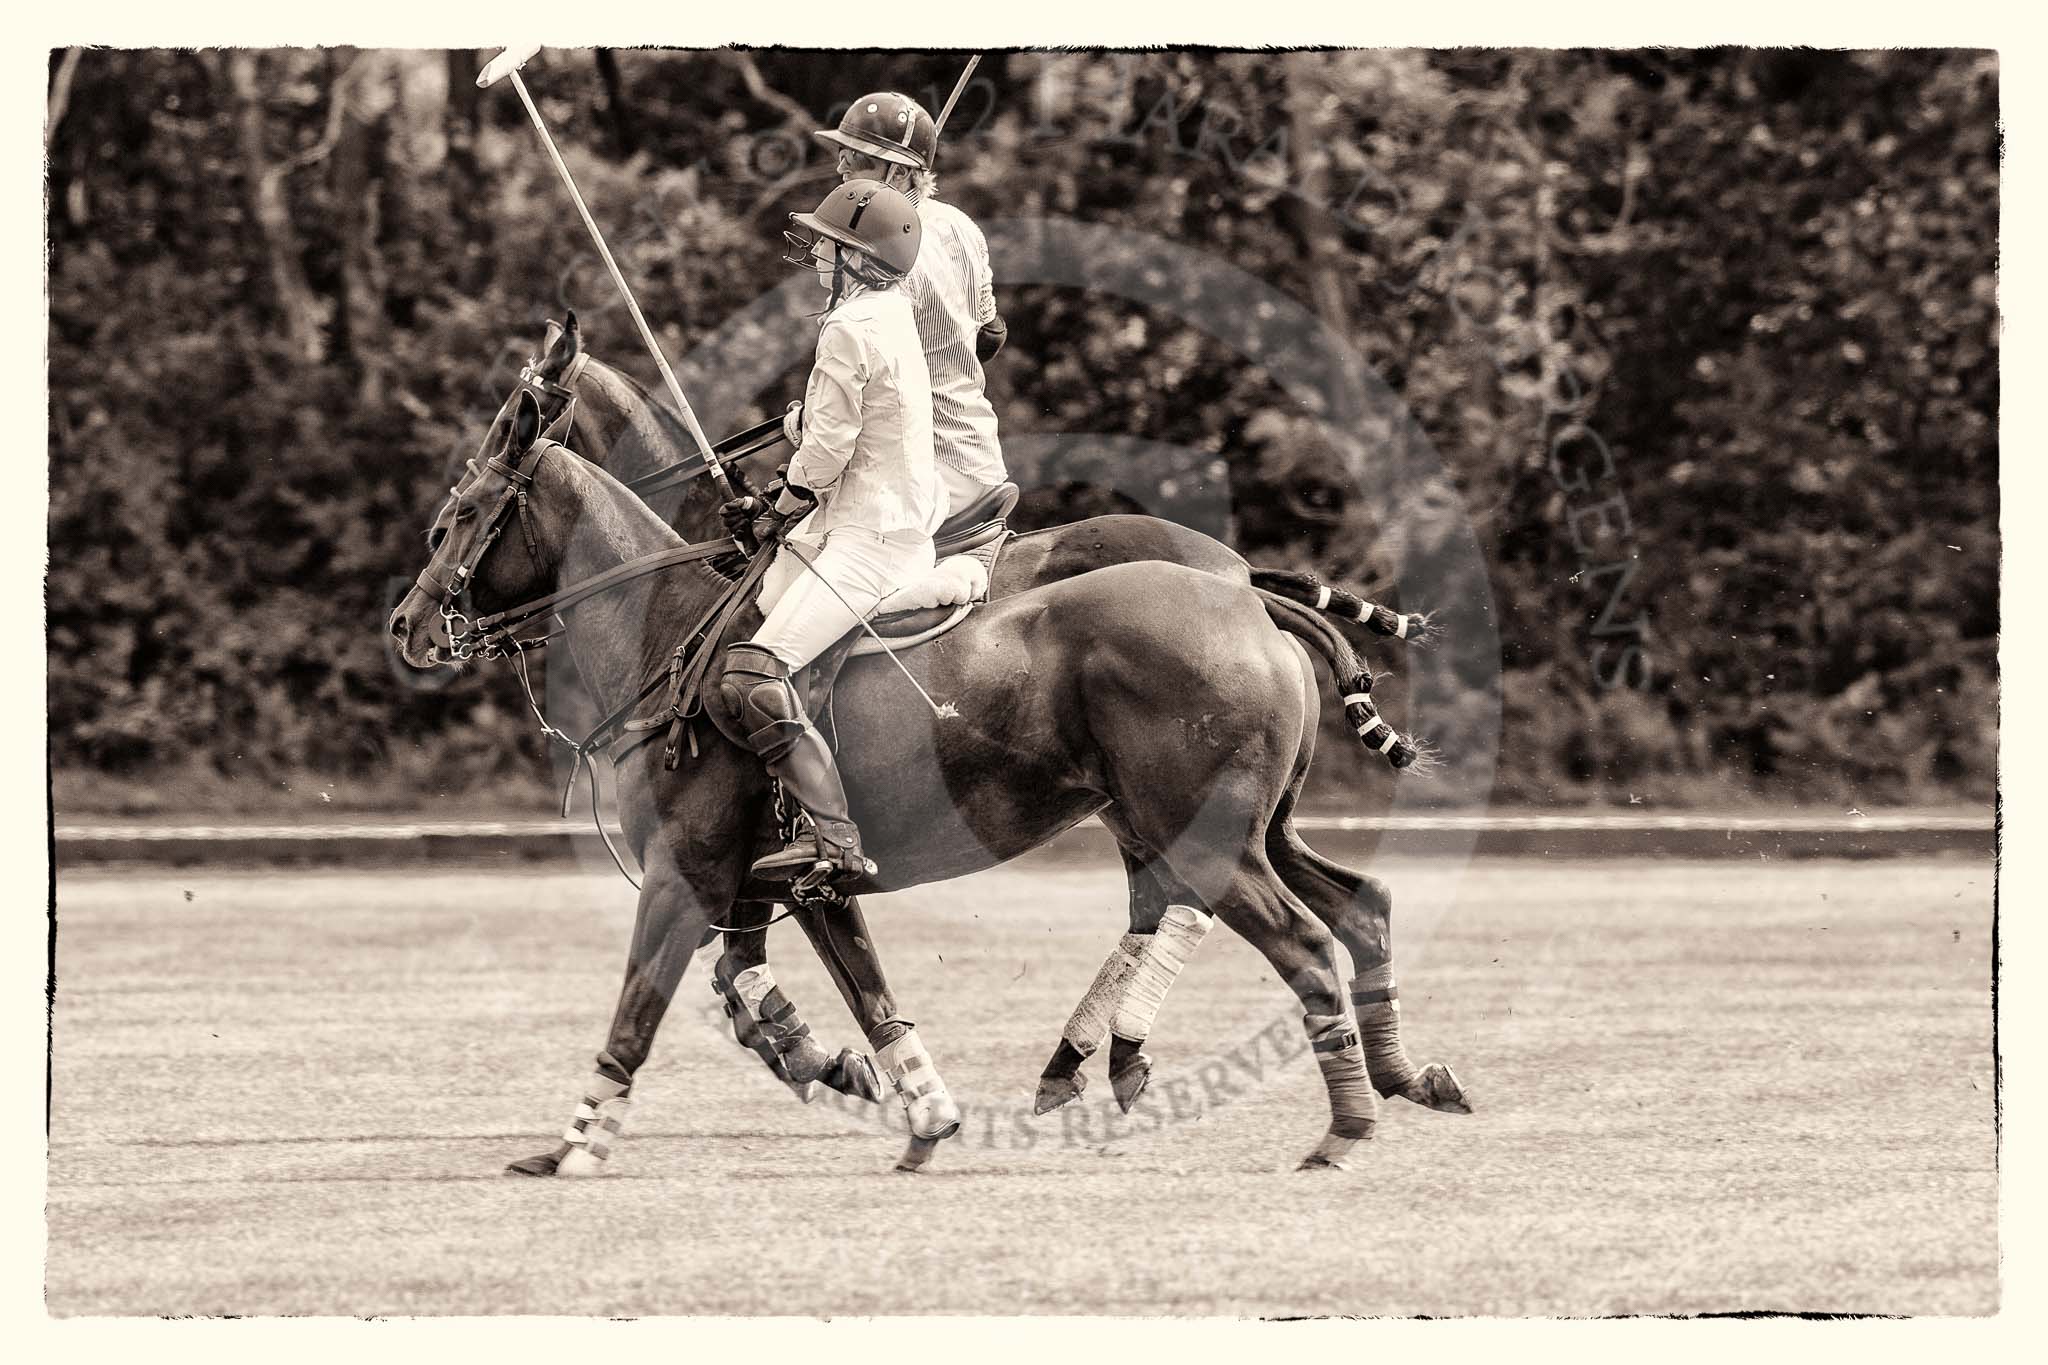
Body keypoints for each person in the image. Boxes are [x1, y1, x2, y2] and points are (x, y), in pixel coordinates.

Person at [717, 179, 943, 886]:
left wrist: (777, 504)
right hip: (883, 521)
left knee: (751, 670)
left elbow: (825, 456)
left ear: (856, 257)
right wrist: (801, 420)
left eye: (828, 243)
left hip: (866, 541)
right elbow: (858, 414)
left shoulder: (847, 327)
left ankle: (837, 837)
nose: (815, 252)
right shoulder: (892, 311)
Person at [792, 91, 1009, 519]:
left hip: (925, 468)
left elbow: (868, 384)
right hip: (981, 453)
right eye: (843, 152)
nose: (841, 167)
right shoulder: (961, 225)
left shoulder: (877, 258)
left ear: (902, 174)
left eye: (860, 159)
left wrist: (809, 425)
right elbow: (991, 335)